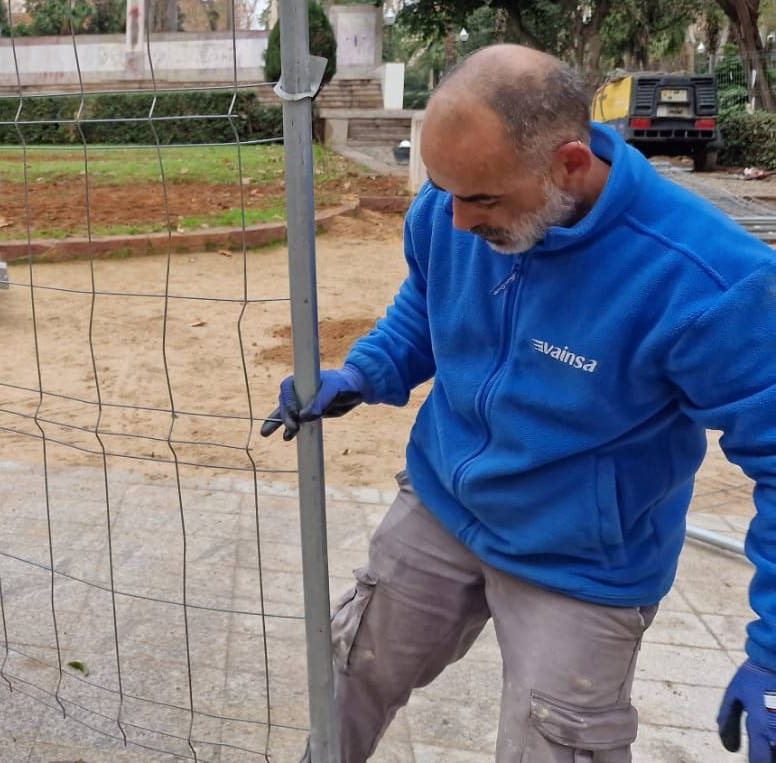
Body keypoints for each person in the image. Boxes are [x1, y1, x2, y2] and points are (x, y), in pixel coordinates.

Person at [261, 45, 776, 762]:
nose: (459, 221)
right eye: (445, 191)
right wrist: (366, 371)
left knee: (554, 747)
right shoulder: (451, 208)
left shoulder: (708, 280)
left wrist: (774, 657)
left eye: (482, 199)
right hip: (443, 505)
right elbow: (428, 299)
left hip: (581, 563)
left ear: (569, 163)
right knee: (347, 675)